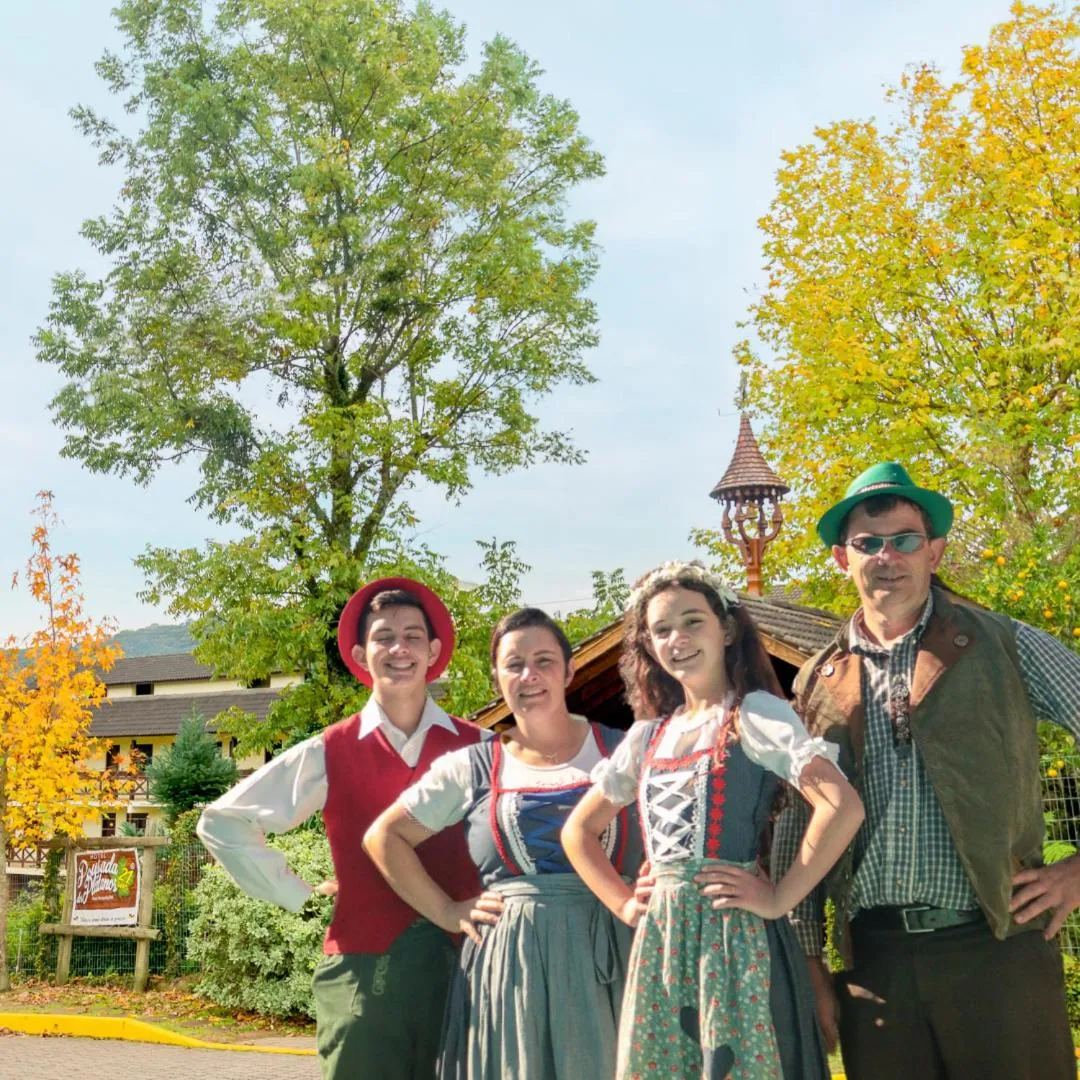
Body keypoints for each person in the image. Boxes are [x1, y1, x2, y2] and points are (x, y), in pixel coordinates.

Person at [772, 461, 1080, 1080]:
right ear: (843, 558)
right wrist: (809, 963)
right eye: (869, 542)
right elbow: (793, 829)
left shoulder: (1007, 644)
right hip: (874, 965)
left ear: (934, 551)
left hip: (998, 947)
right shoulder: (816, 681)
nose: (888, 556)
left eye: (905, 539)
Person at [563, 561, 864, 1079]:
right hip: (663, 942)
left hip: (737, 940)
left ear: (725, 629)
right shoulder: (648, 737)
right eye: (661, 630)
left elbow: (842, 806)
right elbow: (578, 831)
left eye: (691, 621)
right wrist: (623, 902)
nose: (677, 638)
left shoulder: (756, 714)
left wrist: (780, 897)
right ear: (649, 646)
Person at [196, 577, 485, 1080]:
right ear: (359, 652)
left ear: (434, 650)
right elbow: (223, 822)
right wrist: (298, 893)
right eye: (384, 637)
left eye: (413, 636)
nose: (399, 648)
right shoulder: (329, 749)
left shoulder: (482, 748)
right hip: (362, 975)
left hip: (469, 973)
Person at [364, 607, 643, 1080]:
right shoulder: (473, 766)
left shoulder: (626, 750)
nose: (529, 676)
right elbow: (384, 837)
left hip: (612, 952)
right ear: (497, 676)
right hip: (512, 964)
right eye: (514, 664)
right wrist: (447, 911)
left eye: (544, 661)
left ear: (569, 669)